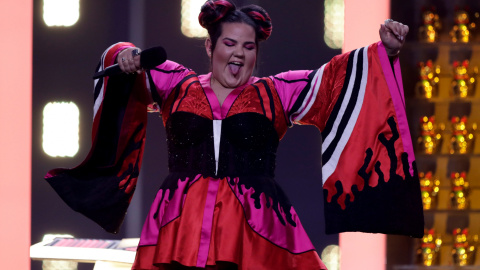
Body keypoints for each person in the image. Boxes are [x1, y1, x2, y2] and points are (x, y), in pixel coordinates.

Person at [46, 0, 424, 269]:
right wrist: (124, 56)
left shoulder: (275, 93)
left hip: (257, 232)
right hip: (180, 227)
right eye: (229, 43)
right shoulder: (177, 85)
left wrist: (383, 52)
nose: (239, 54)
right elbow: (124, 58)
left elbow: (333, 80)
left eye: (249, 46)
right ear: (210, 46)